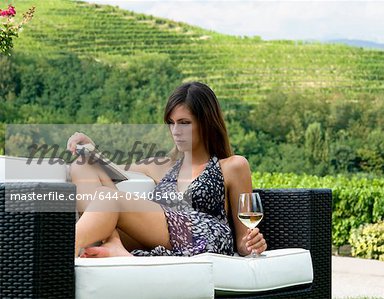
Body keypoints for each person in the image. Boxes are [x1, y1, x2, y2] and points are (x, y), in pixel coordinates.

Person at [67, 82, 267, 258]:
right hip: (159, 235)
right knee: (82, 165)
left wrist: (251, 244)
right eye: (171, 123)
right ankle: (112, 243)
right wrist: (91, 148)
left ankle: (58, 256)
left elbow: (242, 239)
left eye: (184, 123)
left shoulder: (233, 166)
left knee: (107, 197)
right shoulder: (161, 165)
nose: (175, 131)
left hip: (203, 236)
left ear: (206, 124)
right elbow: (108, 168)